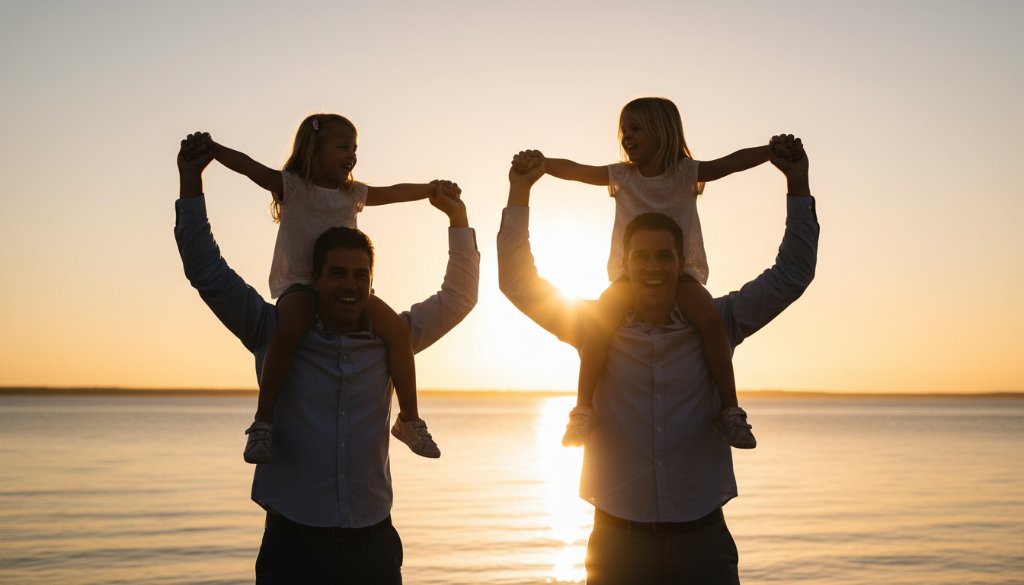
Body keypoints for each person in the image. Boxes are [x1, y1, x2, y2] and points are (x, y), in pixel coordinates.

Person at [498, 134, 817, 584]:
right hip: (617, 546)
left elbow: (792, 273)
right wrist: (520, 192)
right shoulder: (592, 329)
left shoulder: (719, 323)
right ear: (625, 265)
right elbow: (518, 281)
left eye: (664, 256)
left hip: (702, 543)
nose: (653, 267)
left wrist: (797, 184)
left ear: (680, 261)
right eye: (641, 257)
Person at [175, 132, 479, 584]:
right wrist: (191, 183)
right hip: (292, 547)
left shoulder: (391, 340)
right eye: (337, 273)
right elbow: (207, 270)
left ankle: (410, 421)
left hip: (373, 546)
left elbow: (458, 297)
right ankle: (262, 422)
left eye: (360, 275)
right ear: (315, 278)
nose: (349, 285)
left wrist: (457, 218)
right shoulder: (271, 330)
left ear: (372, 282)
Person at [515, 97, 773, 449]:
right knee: (599, 324)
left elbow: (731, 162)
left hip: (679, 273)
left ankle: (730, 409)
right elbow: (577, 169)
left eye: (636, 129)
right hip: (627, 275)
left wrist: (771, 151)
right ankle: (583, 410)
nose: (627, 137)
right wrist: (542, 164)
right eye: (624, 130)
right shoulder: (621, 176)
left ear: (662, 132)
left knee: (710, 319)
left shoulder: (686, 172)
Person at [206, 114, 448, 463]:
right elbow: (248, 166)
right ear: (314, 149)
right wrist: (213, 149)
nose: (351, 155)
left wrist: (429, 189)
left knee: (396, 329)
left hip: (349, 287)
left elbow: (393, 192)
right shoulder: (292, 186)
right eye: (343, 147)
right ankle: (263, 422)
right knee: (287, 332)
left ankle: (409, 419)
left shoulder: (353, 194)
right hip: (302, 285)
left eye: (355, 149)